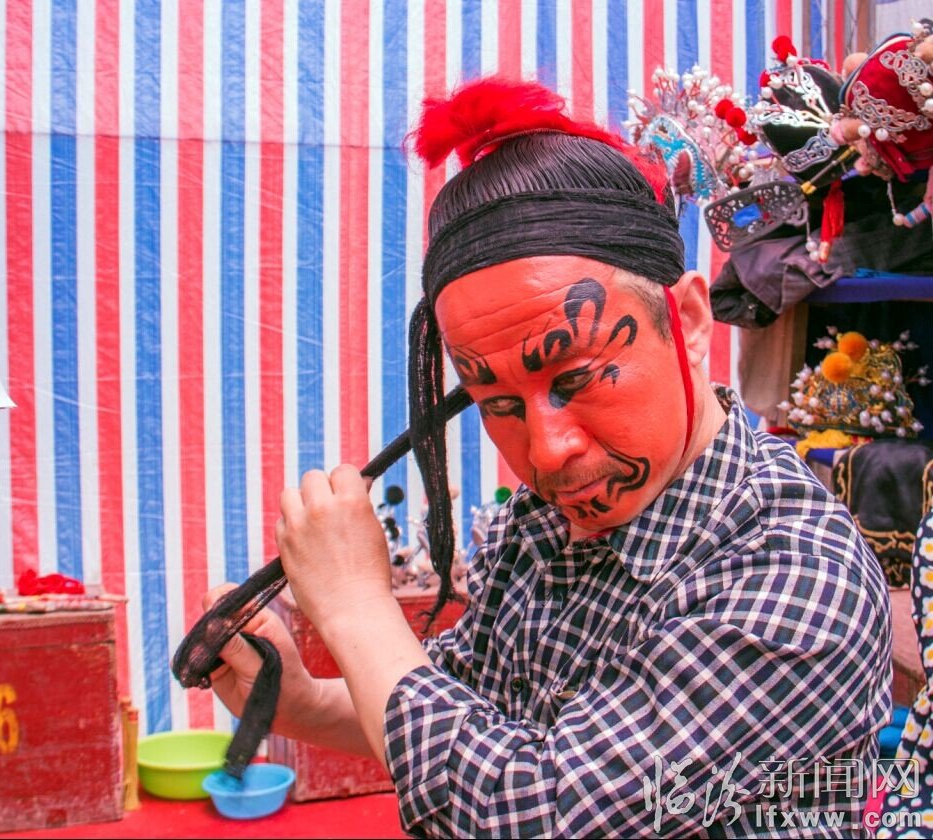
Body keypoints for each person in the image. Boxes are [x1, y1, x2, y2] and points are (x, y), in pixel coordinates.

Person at [203, 77, 892, 837]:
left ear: (689, 321)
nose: (547, 451)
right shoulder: (540, 528)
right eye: (498, 403)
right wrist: (302, 704)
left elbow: (529, 813)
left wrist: (357, 609)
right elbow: (461, 715)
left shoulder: (794, 574)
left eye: (576, 378)